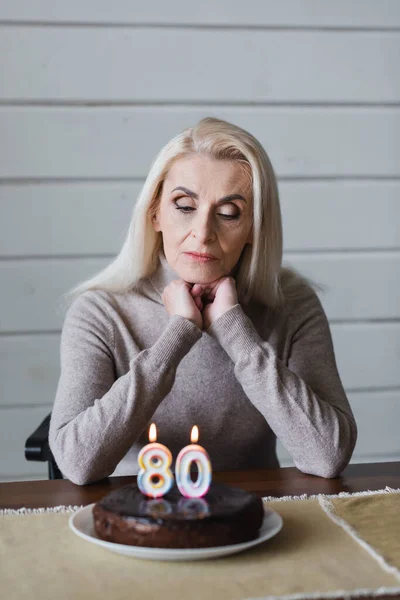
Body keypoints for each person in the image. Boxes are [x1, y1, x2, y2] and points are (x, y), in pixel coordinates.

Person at [49, 117, 357, 485]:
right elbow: (76, 463)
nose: (203, 232)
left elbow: (328, 455)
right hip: (136, 516)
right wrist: (176, 336)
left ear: (254, 230)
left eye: (229, 213)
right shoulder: (101, 312)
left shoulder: (292, 305)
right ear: (155, 213)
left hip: (256, 519)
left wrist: (237, 332)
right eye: (184, 205)